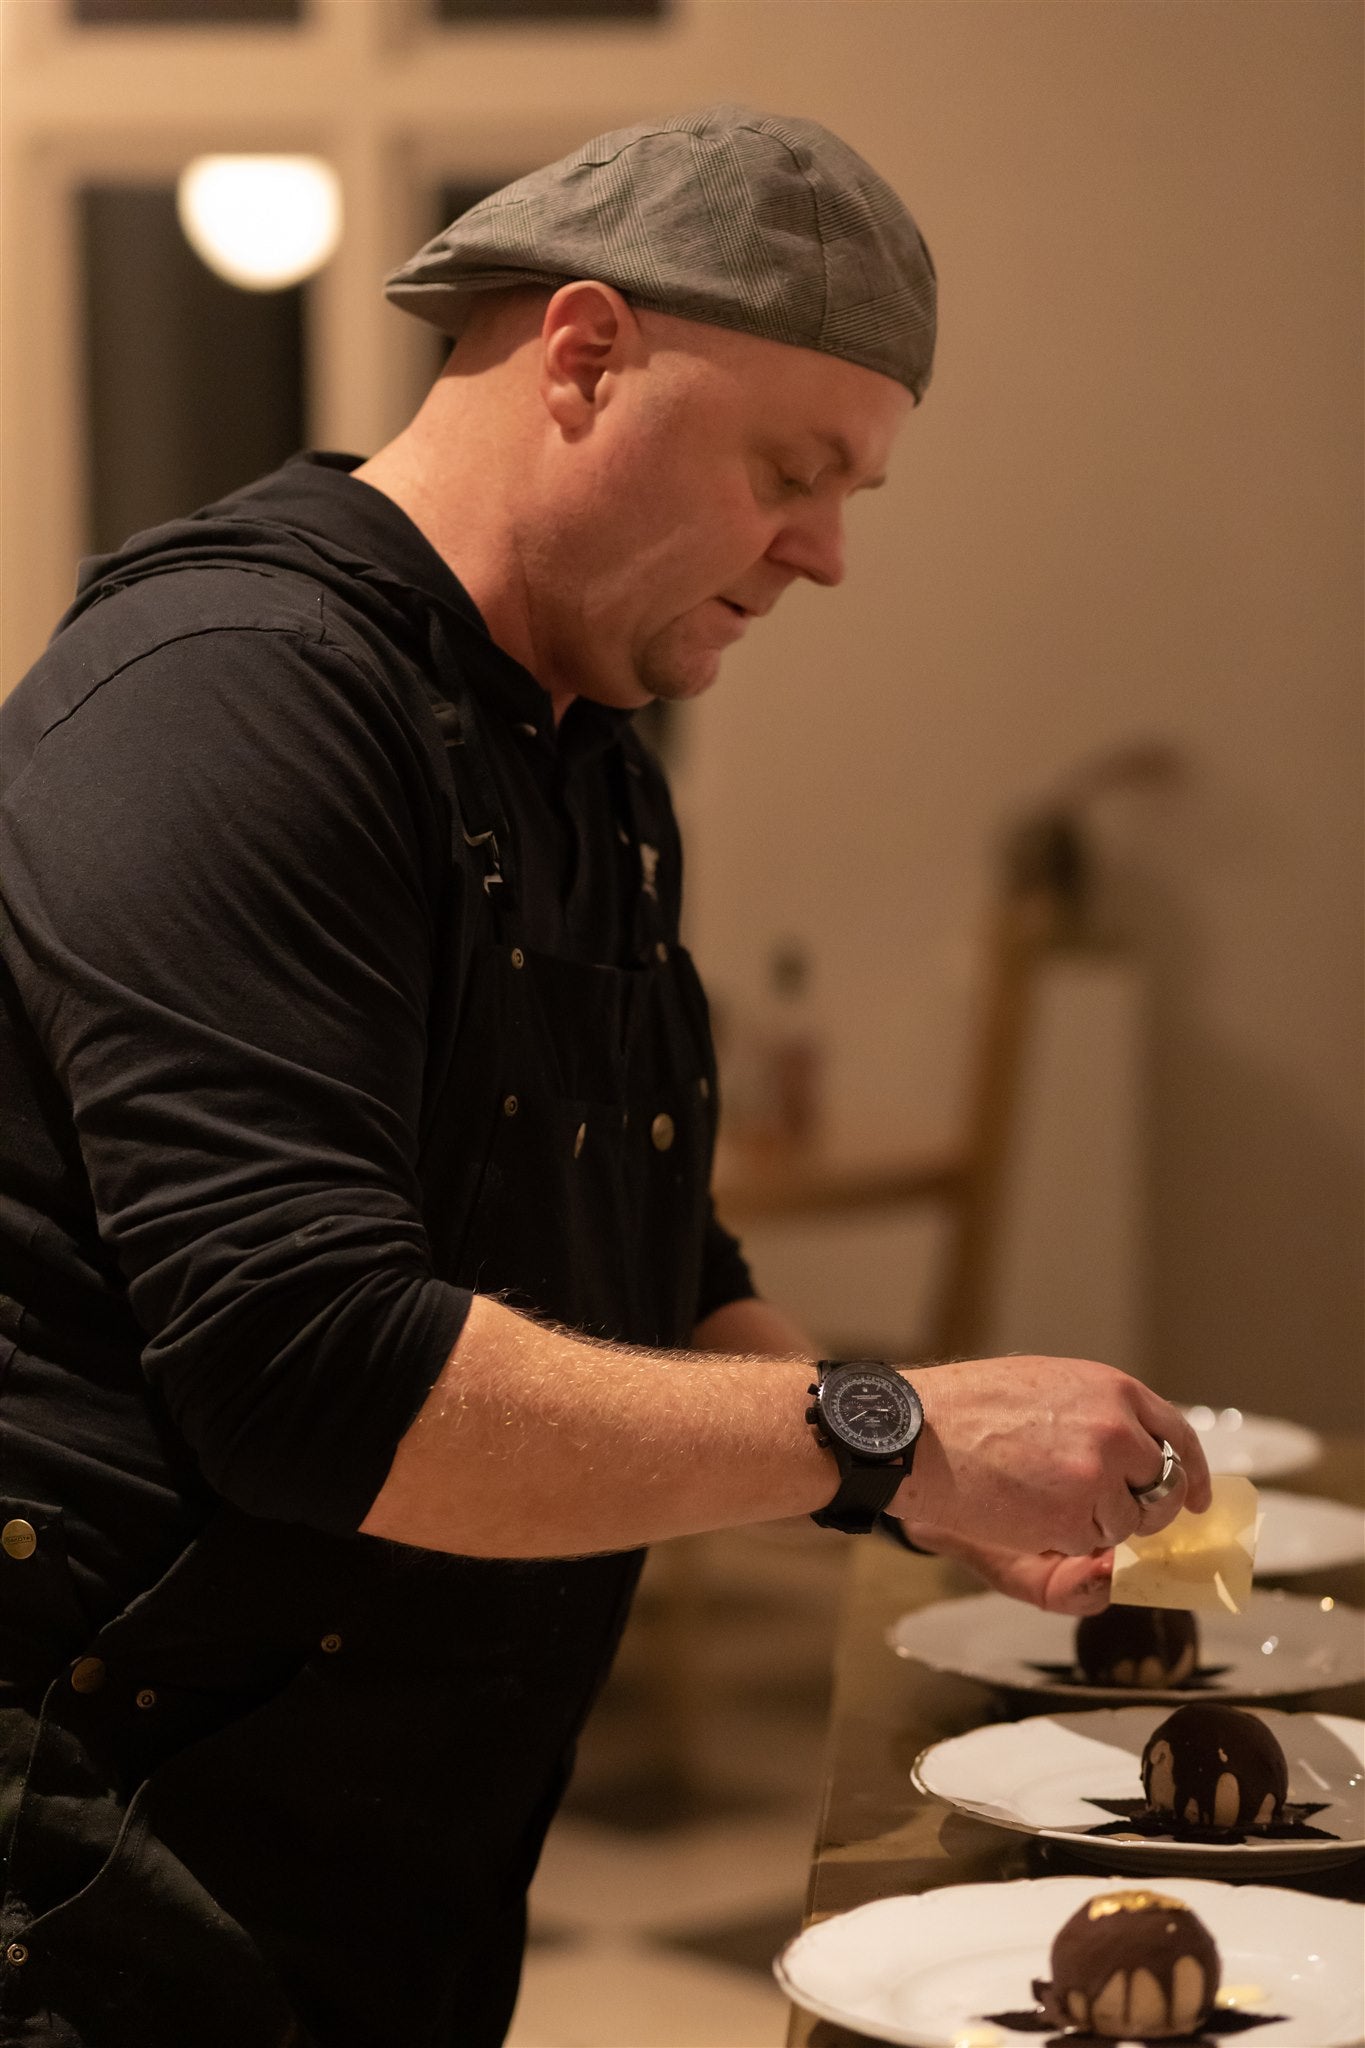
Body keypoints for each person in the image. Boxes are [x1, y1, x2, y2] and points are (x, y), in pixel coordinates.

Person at [0, 105, 1208, 2047]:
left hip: (384, 1863)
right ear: (578, 354)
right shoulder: (228, 693)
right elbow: (313, 1376)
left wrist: (922, 1483)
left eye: (850, 495)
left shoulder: (585, 752)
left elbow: (649, 1260)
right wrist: (884, 1430)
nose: (821, 551)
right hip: (95, 1870)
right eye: (791, 471)